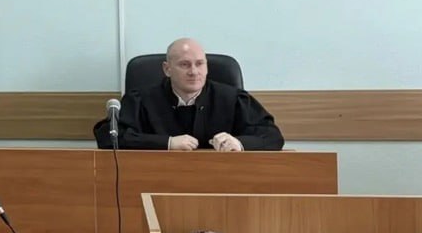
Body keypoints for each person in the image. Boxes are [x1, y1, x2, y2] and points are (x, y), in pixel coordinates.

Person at [95, 38, 284, 151]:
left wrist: (239, 143)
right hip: (156, 179)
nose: (194, 72)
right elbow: (108, 137)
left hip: (221, 181)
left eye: (200, 64)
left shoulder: (232, 99)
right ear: (167, 69)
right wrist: (167, 143)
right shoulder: (142, 99)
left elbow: (273, 136)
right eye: (184, 65)